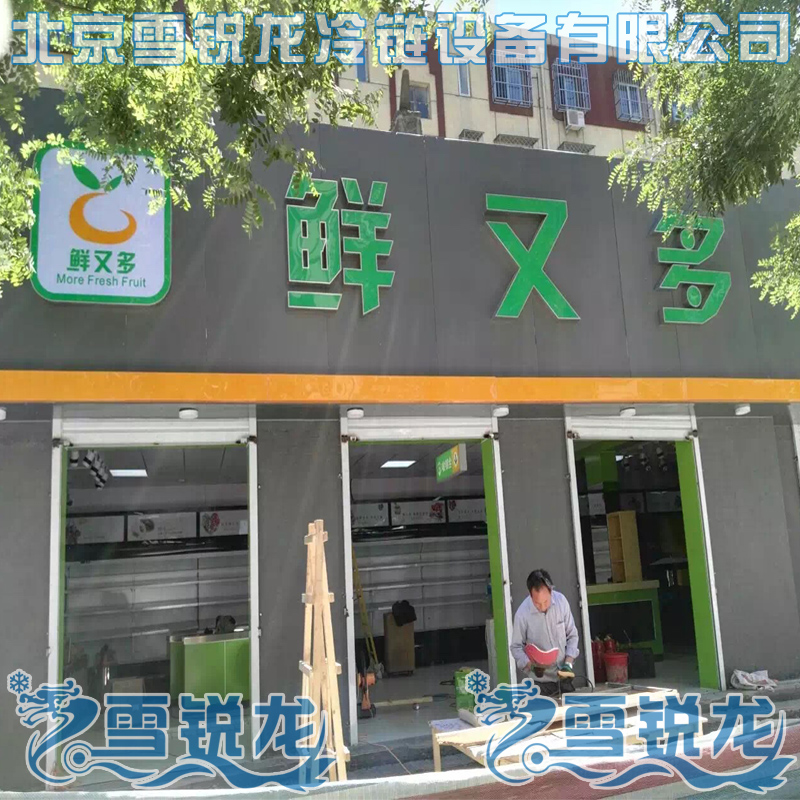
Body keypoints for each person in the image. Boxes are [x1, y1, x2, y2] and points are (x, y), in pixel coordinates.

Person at [510, 569, 580, 697]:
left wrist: (568, 664)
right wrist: (530, 666)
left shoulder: (561, 602)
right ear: (530, 595)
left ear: (551, 590)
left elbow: (572, 635)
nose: (542, 607)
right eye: (537, 603)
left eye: (546, 602)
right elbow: (516, 647)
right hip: (540, 684)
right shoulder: (522, 614)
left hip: (564, 677)